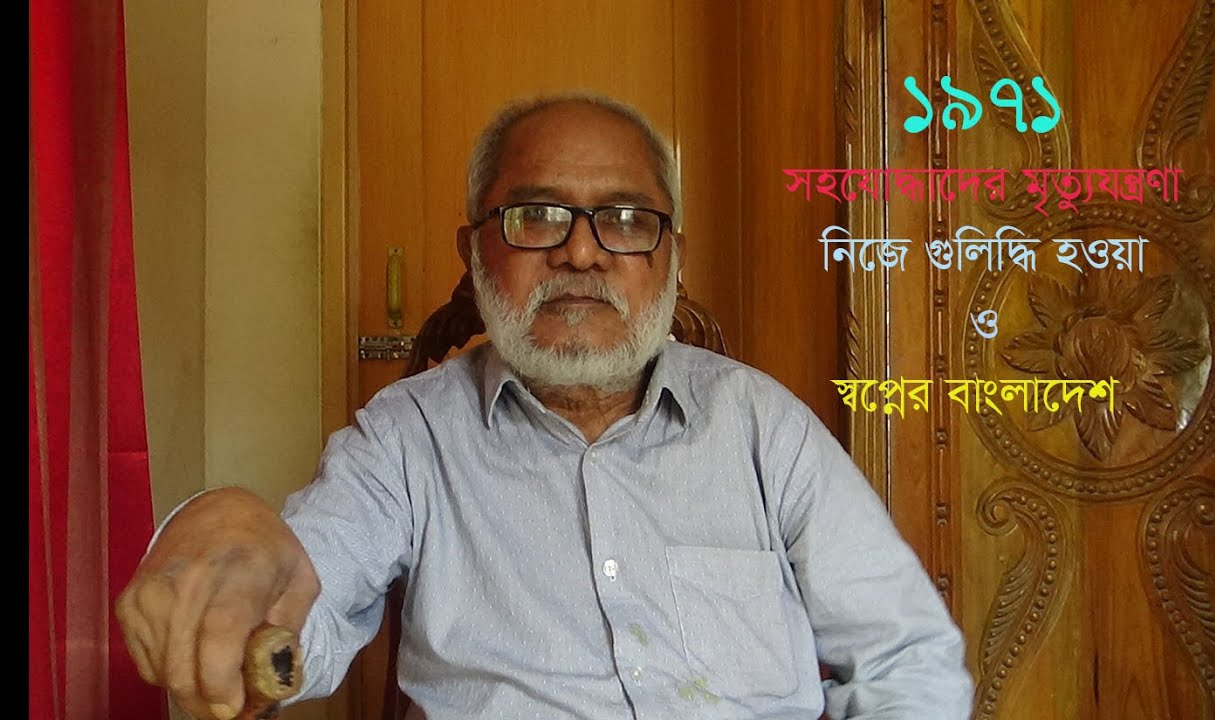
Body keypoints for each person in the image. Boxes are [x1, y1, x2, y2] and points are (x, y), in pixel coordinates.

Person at [116, 92, 974, 720]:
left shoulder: (763, 427)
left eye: (626, 219)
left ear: (671, 257)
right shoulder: (409, 438)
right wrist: (223, 537)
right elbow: (296, 604)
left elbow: (908, 656)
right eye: (536, 215)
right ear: (474, 251)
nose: (581, 253)